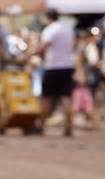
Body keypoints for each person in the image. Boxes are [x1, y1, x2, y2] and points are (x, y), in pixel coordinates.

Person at [35, 8, 76, 136]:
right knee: (66, 97)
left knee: (47, 97)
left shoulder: (49, 30)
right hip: (67, 66)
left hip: (52, 67)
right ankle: (68, 126)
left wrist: (32, 53)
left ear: (47, 17)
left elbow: (43, 47)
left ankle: (41, 125)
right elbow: (72, 45)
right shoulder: (67, 29)